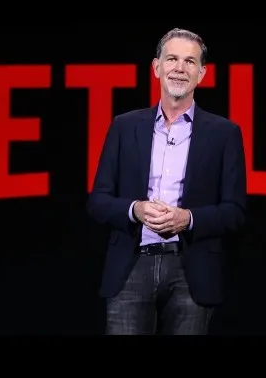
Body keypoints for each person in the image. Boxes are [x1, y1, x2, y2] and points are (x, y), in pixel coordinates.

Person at [87, 27, 247, 335]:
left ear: (201, 73)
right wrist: (136, 210)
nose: (179, 68)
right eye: (172, 59)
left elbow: (235, 211)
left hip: (192, 269)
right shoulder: (124, 126)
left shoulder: (225, 134)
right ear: (157, 67)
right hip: (131, 265)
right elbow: (98, 201)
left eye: (190, 61)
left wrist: (188, 218)